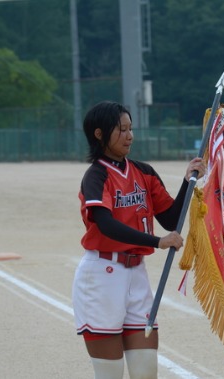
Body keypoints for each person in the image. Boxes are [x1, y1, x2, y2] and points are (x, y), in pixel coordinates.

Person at [72, 101, 205, 379]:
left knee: (146, 373)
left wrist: (188, 181)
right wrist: (158, 242)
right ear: (99, 134)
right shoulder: (95, 176)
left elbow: (170, 218)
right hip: (102, 277)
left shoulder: (143, 171)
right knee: (109, 375)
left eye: (131, 128)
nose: (130, 135)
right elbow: (105, 224)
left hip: (137, 277)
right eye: (121, 129)